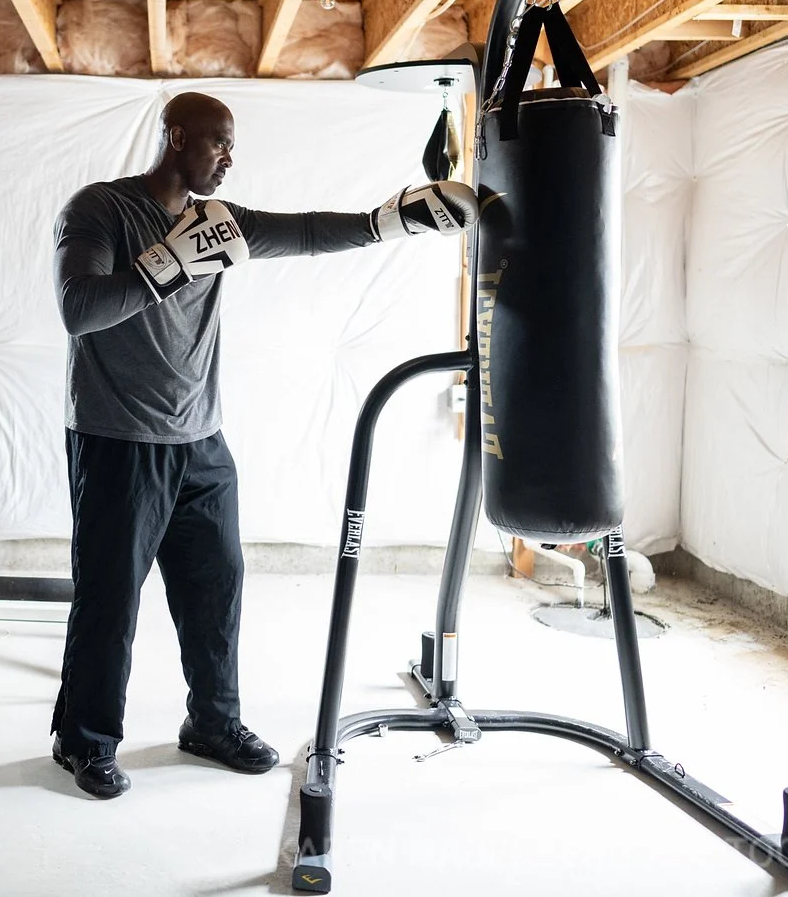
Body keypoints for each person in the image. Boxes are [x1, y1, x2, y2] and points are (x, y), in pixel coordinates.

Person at [50, 91, 476, 799]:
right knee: (111, 598)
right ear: (177, 137)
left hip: (202, 441)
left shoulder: (217, 222)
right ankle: (85, 742)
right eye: (218, 143)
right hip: (118, 438)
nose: (228, 158)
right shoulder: (100, 209)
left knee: (217, 587)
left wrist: (388, 221)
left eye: (232, 146)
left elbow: (304, 231)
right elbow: (79, 309)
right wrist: (167, 264)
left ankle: (212, 723)